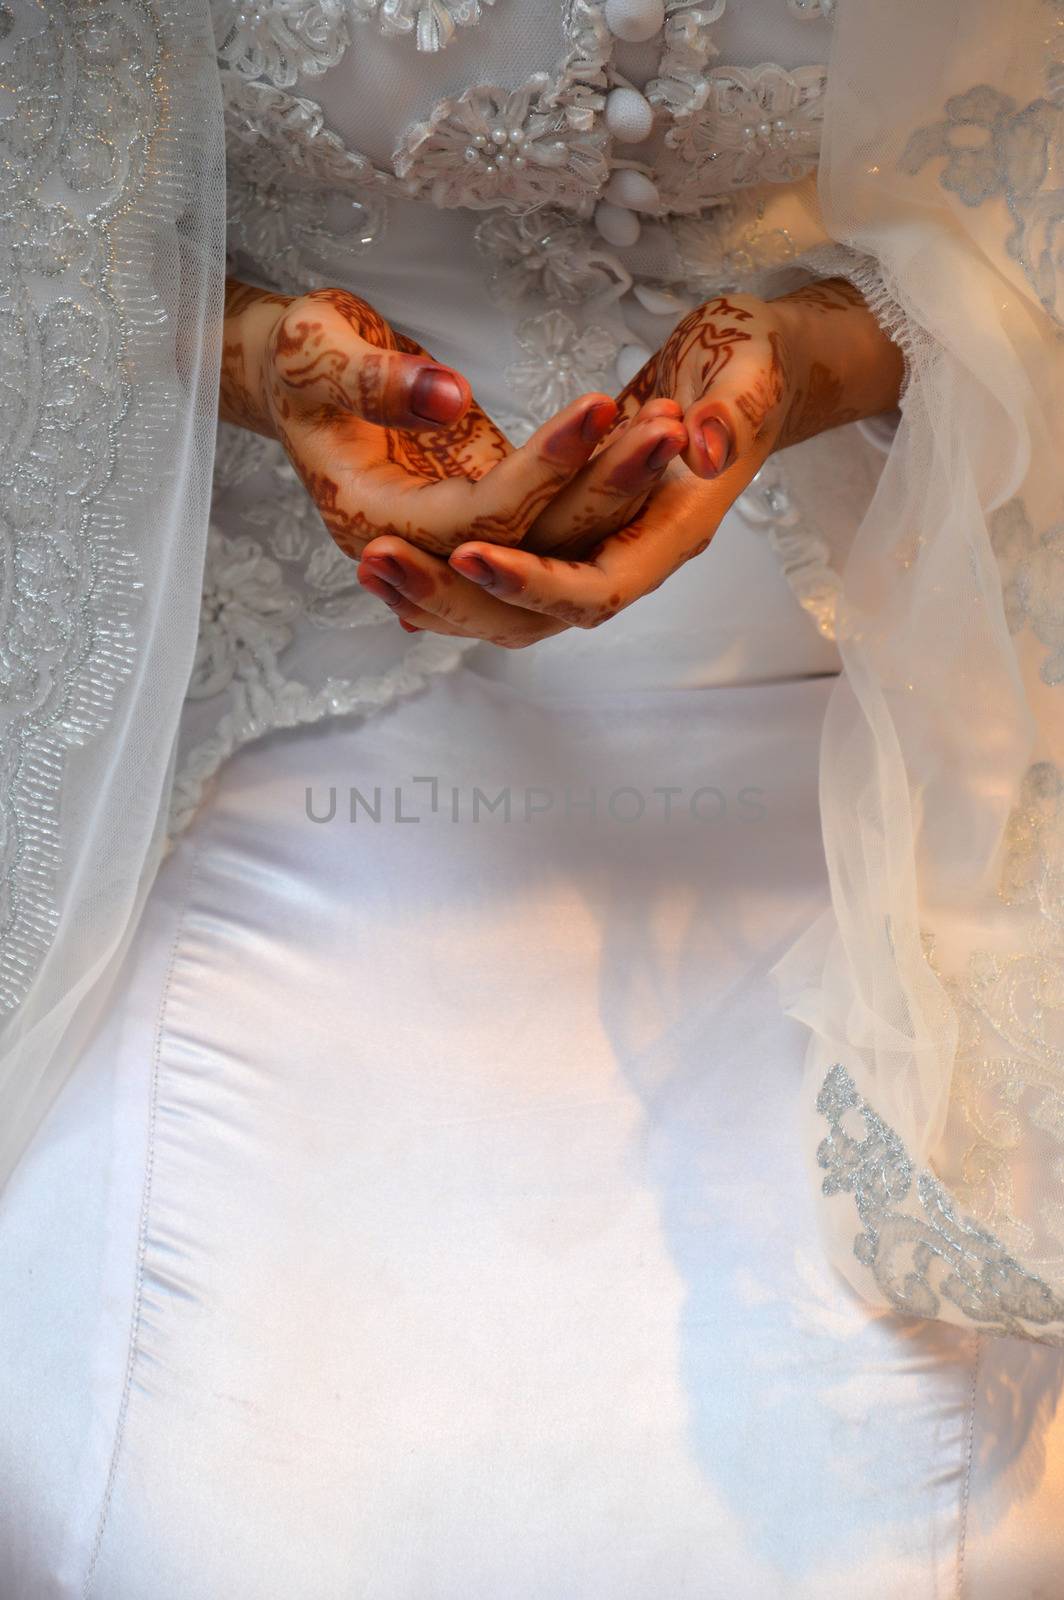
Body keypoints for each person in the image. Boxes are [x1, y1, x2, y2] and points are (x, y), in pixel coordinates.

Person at [1, 0, 1062, 1593]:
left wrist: (832, 352)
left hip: (897, 707)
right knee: (199, 1491)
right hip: (256, 724)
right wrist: (246, 357)